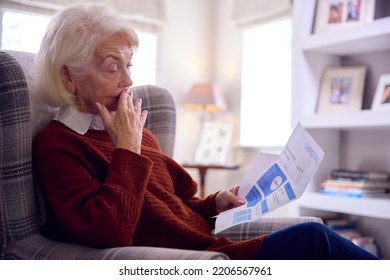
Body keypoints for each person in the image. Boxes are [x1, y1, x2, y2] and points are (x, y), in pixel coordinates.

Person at [32, 3, 378, 260]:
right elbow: (109, 231)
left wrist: (215, 203)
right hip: (199, 262)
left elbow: (176, 208)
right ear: (68, 78)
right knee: (316, 239)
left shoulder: (137, 134)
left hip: (214, 247)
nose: (128, 81)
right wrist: (127, 149)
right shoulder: (58, 145)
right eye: (112, 68)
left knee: (319, 239)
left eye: (129, 65)